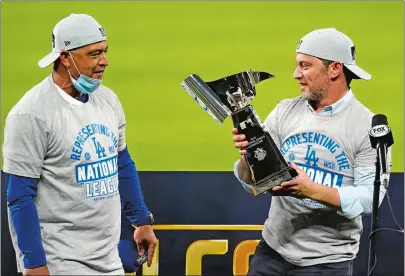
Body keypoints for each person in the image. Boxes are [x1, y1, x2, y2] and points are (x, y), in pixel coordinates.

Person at [2, 13, 157, 275]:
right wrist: (33, 263)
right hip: (60, 260)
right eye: (94, 54)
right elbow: (19, 195)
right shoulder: (31, 114)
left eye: (105, 52)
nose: (104, 62)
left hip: (108, 258)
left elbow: (121, 163)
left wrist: (141, 220)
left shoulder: (107, 99)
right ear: (65, 57)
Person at [232, 27, 391, 275]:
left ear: (335, 69)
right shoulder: (285, 110)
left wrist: (311, 190)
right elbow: (252, 181)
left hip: (327, 263)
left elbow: (371, 197)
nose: (296, 74)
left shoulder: (365, 126)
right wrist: (248, 155)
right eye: (297, 65)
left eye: (305, 66)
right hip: (272, 252)